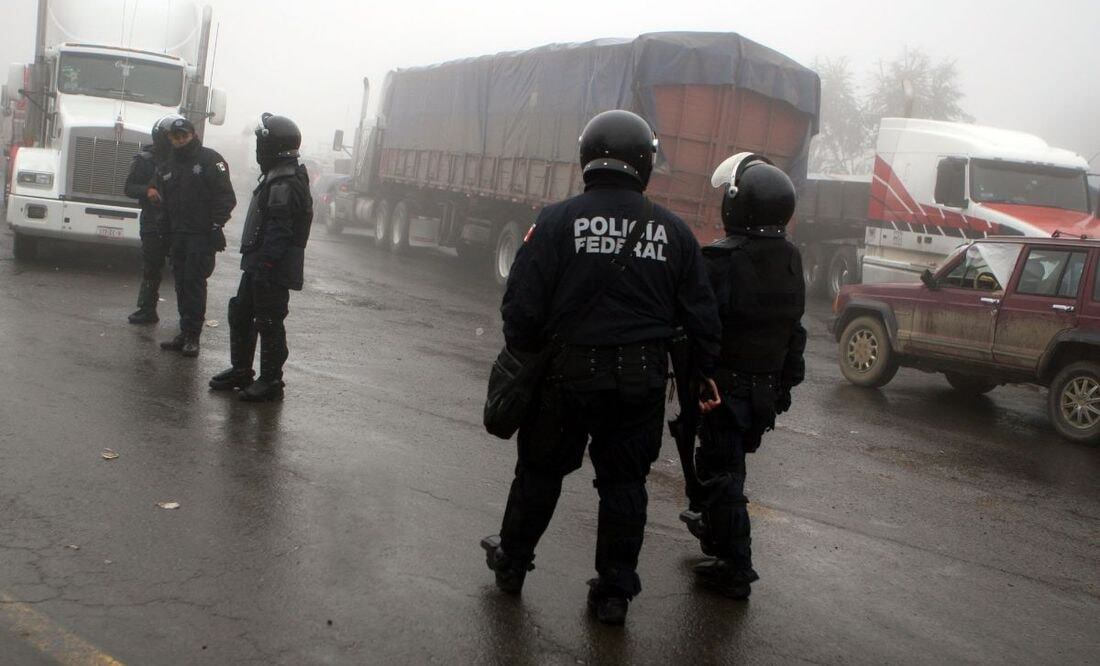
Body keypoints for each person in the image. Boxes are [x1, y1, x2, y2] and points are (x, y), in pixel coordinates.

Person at [480, 109, 722, 625]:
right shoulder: (675, 233)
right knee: (624, 486)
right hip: (640, 384)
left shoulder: (554, 221)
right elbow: (703, 319)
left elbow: (520, 309)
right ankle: (613, 595)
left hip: (565, 378)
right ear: (645, 163)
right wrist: (700, 375)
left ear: (587, 157)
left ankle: (513, 565)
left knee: (540, 473)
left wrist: (530, 353)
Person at [688, 153, 806, 600]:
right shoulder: (791, 257)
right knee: (723, 470)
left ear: (739, 204)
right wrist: (783, 385)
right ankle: (714, 530)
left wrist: (699, 375)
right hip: (765, 389)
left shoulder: (721, 260)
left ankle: (735, 567)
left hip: (725, 388)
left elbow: (701, 326)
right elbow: (795, 328)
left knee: (722, 474)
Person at [208, 114, 312, 402]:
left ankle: (271, 381)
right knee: (241, 313)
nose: (258, 148)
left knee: (268, 322)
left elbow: (280, 230)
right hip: (258, 264)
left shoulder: (285, 182)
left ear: (274, 145)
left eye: (262, 142)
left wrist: (266, 264)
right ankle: (242, 370)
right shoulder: (279, 174)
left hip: (270, 267)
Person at [156, 116, 236, 357]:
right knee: (180, 283)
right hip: (177, 235)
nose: (180, 140)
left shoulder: (211, 160)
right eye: (175, 137)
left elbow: (226, 197)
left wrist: (214, 224)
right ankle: (184, 331)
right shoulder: (169, 164)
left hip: (200, 236)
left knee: (194, 284)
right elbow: (165, 201)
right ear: (170, 138)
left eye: (184, 136)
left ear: (193, 135)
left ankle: (193, 336)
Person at [124, 116, 174, 324]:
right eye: (171, 136)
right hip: (153, 220)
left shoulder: (188, 159)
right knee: (151, 267)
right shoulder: (145, 160)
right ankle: (147, 309)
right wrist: (148, 190)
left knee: (183, 271)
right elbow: (129, 188)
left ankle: (188, 321)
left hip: (178, 221)